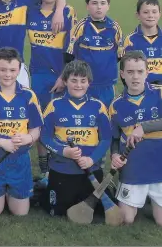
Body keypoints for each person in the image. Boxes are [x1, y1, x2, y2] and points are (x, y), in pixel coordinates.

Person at [110, 50, 162, 227]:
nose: (135, 77)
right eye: (130, 72)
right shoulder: (116, 105)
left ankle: (152, 197)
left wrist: (144, 127)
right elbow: (114, 138)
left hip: (161, 166)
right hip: (133, 169)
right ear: (122, 74)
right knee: (126, 219)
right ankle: (133, 195)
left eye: (139, 72)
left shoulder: (161, 93)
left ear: (147, 73)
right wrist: (114, 155)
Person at [0, 47, 43, 217]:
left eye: (12, 70)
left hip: (19, 160)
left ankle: (9, 193)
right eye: (3, 70)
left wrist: (28, 137)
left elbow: (36, 130)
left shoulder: (29, 96)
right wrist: (1, 142)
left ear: (19, 70)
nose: (8, 74)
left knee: (20, 212)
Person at [40, 60, 111, 216]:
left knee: (96, 211)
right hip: (62, 169)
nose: (78, 85)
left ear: (89, 83)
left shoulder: (98, 106)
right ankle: (42, 186)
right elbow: (44, 137)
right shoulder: (55, 105)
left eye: (83, 81)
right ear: (65, 81)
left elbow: (106, 139)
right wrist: (63, 151)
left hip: (91, 169)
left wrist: (92, 160)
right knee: (57, 212)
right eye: (73, 80)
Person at [26, 0, 77, 185]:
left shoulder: (68, 12)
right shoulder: (29, 10)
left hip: (60, 75)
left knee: (60, 122)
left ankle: (61, 165)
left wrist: (64, 76)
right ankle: (45, 170)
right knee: (40, 122)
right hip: (37, 75)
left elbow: (72, 48)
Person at [64, 0, 123, 107]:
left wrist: (105, 65)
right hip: (84, 84)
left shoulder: (114, 27)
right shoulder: (80, 27)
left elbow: (119, 55)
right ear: (87, 6)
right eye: (94, 3)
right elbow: (69, 55)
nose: (99, 7)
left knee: (107, 116)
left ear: (108, 6)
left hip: (106, 84)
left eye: (103, 3)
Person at [121, 0, 162, 89]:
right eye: (146, 12)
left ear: (159, 14)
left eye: (154, 12)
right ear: (138, 15)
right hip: (137, 91)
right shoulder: (130, 40)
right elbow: (125, 70)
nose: (150, 15)